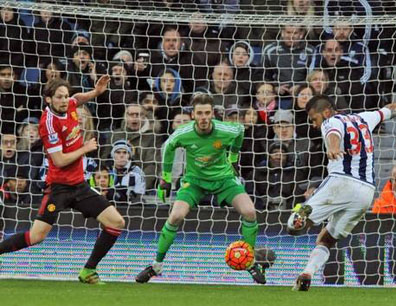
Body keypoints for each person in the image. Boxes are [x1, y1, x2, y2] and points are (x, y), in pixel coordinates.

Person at [287, 91, 396, 291]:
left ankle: (302, 214)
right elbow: (389, 110)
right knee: (327, 238)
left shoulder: (332, 121)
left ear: (326, 112)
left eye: (314, 119)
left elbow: (333, 134)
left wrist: (333, 147)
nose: (313, 124)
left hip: (340, 182)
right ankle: (307, 273)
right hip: (365, 193)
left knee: (292, 228)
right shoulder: (363, 117)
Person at [0, 75, 125, 285]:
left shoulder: (70, 105)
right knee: (36, 236)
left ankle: (88, 271)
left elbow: (78, 98)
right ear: (48, 99)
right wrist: (85, 148)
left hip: (79, 185)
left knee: (116, 223)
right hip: (59, 188)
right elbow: (59, 160)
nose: (65, 100)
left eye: (65, 96)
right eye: (59, 97)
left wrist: (96, 92)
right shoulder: (48, 123)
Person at [135, 93, 266, 284]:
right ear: (193, 115)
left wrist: (233, 158)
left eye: (207, 113)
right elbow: (169, 147)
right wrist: (165, 178)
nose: (204, 117)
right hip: (194, 181)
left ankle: (251, 262)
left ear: (212, 113)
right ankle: (156, 265)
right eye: (199, 113)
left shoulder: (226, 130)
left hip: (224, 180)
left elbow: (240, 131)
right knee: (176, 216)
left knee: (250, 212)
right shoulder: (183, 133)